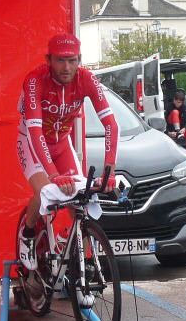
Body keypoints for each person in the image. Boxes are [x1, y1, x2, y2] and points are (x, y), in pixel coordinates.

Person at [16, 33, 119, 270]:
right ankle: (28, 233)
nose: (67, 67)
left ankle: (74, 250)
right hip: (31, 141)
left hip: (61, 142)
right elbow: (34, 130)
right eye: (60, 60)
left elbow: (111, 125)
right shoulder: (35, 80)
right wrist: (53, 175)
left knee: (79, 200)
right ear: (48, 60)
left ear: (80, 59)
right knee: (45, 190)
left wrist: (109, 171)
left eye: (72, 60)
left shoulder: (87, 79)